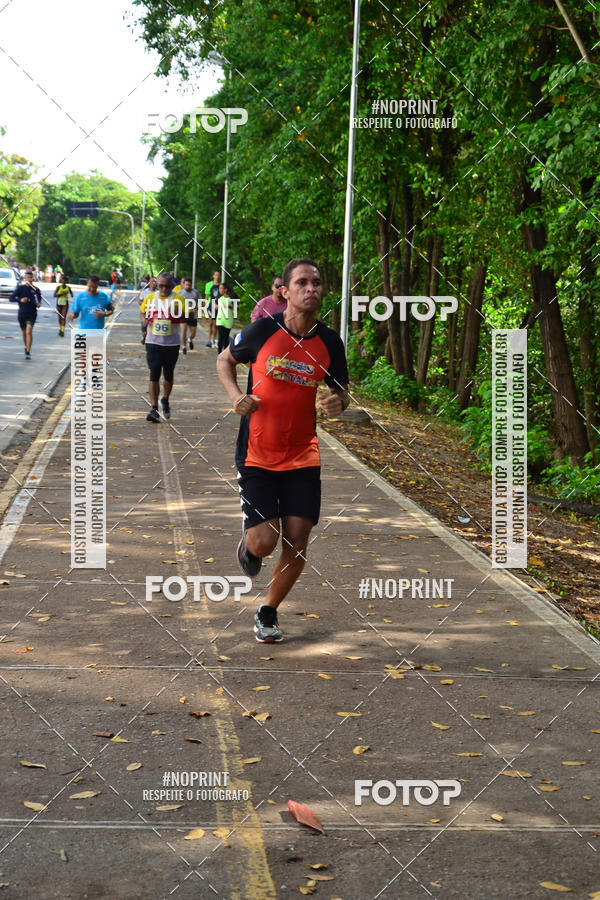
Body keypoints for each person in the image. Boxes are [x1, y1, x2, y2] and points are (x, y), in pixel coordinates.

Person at [216, 257, 350, 643]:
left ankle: (268, 611)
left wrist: (338, 402)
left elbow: (342, 390)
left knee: (297, 539)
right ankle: (248, 547)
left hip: (303, 456)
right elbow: (225, 359)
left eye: (317, 283)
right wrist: (236, 395)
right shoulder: (261, 331)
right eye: (303, 283)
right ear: (285, 291)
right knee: (265, 541)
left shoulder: (328, 342)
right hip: (258, 453)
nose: (312, 289)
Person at [140, 272, 183, 422]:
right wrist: (144, 322)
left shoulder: (178, 299)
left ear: (172, 285)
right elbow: (143, 312)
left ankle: (165, 399)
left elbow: (189, 316)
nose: (164, 288)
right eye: (161, 285)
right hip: (153, 342)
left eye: (167, 286)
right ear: (157, 285)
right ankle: (153, 409)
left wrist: (177, 315)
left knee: (168, 374)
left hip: (171, 343)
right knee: (154, 373)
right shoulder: (150, 298)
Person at [10, 270, 42, 359]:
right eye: (27, 278)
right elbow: (11, 298)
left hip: (32, 313)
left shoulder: (36, 290)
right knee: (24, 333)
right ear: (25, 279)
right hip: (22, 314)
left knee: (29, 331)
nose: (29, 279)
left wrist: (39, 303)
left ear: (33, 278)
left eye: (31, 278)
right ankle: (26, 347)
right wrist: (20, 300)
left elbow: (39, 300)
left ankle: (28, 351)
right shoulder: (20, 288)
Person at [177, 276, 199, 354]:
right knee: (183, 330)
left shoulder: (195, 292)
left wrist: (197, 308)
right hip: (183, 314)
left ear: (191, 285)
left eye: (189, 285)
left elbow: (200, 302)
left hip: (192, 315)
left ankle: (189, 339)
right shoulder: (179, 293)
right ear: (183, 284)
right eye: (186, 285)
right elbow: (176, 304)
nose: (187, 286)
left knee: (193, 333)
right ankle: (184, 346)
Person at [216, 282, 235, 352]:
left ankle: (225, 353)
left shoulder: (231, 297)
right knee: (220, 337)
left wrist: (228, 306)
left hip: (228, 320)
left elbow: (236, 308)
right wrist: (216, 306)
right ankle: (219, 353)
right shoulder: (219, 297)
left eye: (221, 288)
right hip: (220, 320)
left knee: (226, 338)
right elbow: (215, 305)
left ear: (226, 289)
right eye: (219, 288)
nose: (220, 290)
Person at [138, 276, 157, 345]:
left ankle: (151, 341)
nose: (154, 283)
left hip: (155, 314)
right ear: (149, 283)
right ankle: (144, 337)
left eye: (155, 281)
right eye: (152, 281)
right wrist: (145, 304)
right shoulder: (144, 292)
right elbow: (139, 301)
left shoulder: (159, 292)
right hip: (146, 313)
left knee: (153, 329)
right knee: (144, 332)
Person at [204, 270, 220, 348]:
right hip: (210, 305)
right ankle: (209, 339)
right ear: (213, 276)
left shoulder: (220, 286)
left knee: (215, 324)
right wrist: (206, 306)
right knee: (210, 323)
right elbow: (206, 296)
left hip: (218, 306)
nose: (217, 276)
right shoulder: (209, 284)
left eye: (218, 275)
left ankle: (214, 340)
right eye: (216, 275)